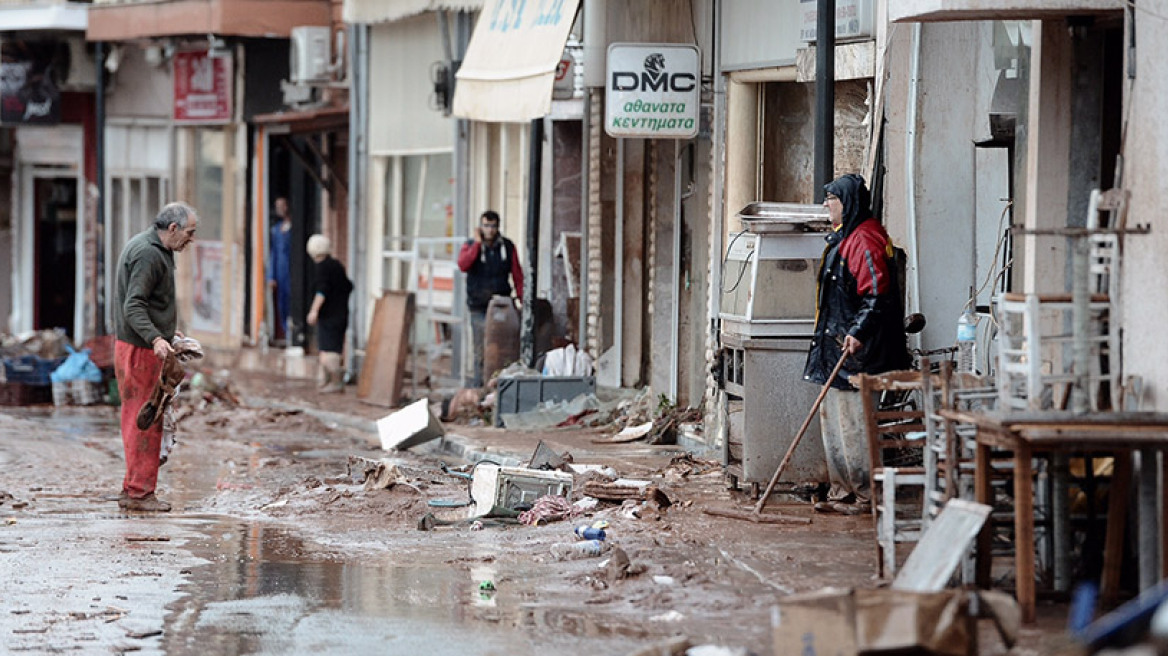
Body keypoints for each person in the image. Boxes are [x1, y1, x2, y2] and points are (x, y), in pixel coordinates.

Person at [803, 174, 910, 515]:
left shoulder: (863, 240)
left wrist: (859, 332)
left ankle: (864, 493)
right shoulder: (842, 238)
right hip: (835, 347)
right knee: (832, 421)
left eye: (830, 199)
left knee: (853, 425)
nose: (825, 205)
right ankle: (842, 491)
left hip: (858, 354)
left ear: (846, 203)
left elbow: (878, 294)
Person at [113, 201, 199, 512]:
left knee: (139, 416)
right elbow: (134, 305)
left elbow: (146, 304)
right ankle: (140, 493)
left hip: (135, 345)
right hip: (140, 350)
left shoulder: (150, 247)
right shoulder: (149, 254)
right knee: (146, 417)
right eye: (189, 233)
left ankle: (132, 487)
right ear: (172, 229)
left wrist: (167, 332)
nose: (191, 239)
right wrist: (156, 338)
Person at [457, 210, 524, 387]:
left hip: (502, 306)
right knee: (481, 348)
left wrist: (523, 299)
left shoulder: (507, 247)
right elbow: (463, 264)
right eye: (486, 225)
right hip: (479, 306)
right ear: (480, 227)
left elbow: (517, 274)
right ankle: (480, 387)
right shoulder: (471, 245)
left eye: (493, 226)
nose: (490, 230)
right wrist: (477, 244)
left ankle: (500, 386)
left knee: (503, 347)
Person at [305, 234, 353, 393]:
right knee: (327, 348)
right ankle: (326, 381)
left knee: (329, 351)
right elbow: (348, 286)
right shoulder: (337, 265)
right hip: (340, 313)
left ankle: (336, 381)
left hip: (330, 315)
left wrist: (314, 310)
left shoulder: (322, 269)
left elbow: (322, 291)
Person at [266, 197, 292, 343]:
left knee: (291, 300)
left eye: (281, 205)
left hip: (291, 270)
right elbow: (273, 253)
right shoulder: (276, 230)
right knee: (281, 302)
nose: (279, 209)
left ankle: (292, 332)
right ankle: (285, 331)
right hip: (280, 270)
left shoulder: (294, 228)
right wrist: (271, 276)